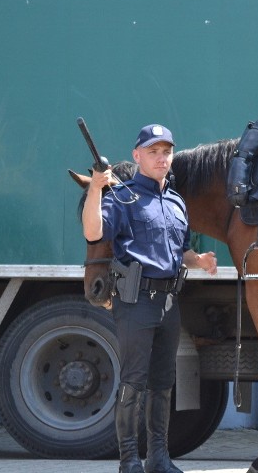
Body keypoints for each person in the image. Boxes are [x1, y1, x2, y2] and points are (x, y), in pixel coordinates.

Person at [82, 123, 218, 473]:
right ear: (137, 156)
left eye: (166, 152)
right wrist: (97, 190)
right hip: (136, 302)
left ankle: (158, 457)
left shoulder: (175, 202)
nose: (161, 158)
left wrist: (198, 261)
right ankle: (129, 460)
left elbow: (180, 250)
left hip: (170, 303)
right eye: (153, 152)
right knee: (133, 382)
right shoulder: (121, 197)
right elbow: (94, 231)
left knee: (162, 383)